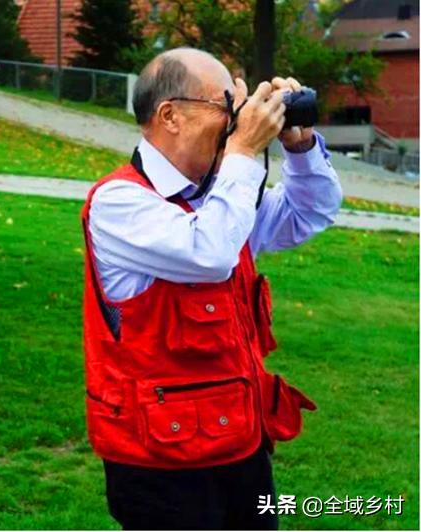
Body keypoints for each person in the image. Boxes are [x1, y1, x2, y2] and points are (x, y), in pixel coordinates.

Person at [81, 47, 342, 530]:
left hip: (240, 441)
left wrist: (298, 145)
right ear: (170, 115)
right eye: (226, 105)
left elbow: (311, 213)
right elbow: (211, 254)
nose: (237, 120)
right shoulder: (117, 202)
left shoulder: (224, 198)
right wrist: (243, 150)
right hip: (161, 463)